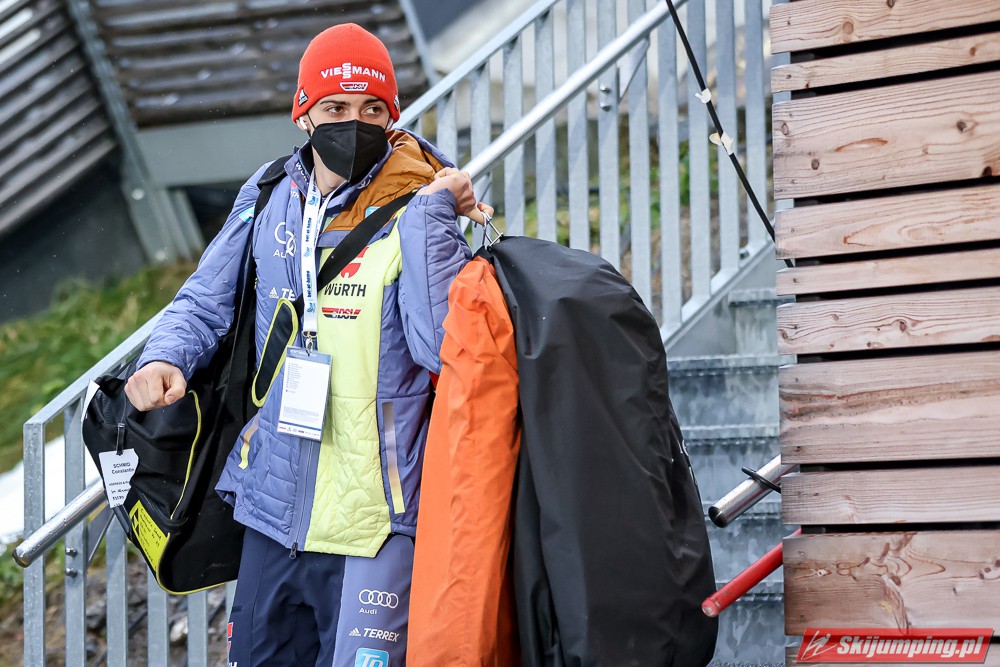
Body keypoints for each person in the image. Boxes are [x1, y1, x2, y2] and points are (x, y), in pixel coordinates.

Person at [124, 23, 485, 666]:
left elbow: (442, 349)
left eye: (372, 110)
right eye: (335, 108)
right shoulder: (269, 193)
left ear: (393, 115)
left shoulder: (421, 206)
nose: (355, 124)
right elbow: (206, 296)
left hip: (378, 517)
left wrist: (433, 217)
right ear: (303, 114)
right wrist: (164, 355)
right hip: (276, 504)